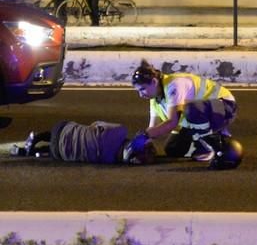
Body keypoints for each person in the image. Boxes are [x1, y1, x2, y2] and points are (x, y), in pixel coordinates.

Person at [130, 60, 242, 170]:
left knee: (192, 109)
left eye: (142, 89)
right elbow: (154, 128)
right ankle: (205, 138)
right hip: (205, 113)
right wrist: (145, 142)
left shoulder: (174, 85)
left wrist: (144, 136)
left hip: (225, 107)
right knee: (173, 148)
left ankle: (213, 145)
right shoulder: (155, 99)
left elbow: (172, 122)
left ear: (154, 82)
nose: (140, 95)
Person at [10, 121, 156, 165]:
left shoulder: (120, 131)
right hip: (59, 154)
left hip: (61, 130)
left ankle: (38, 137)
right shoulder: (109, 161)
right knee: (75, 148)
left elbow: (96, 124)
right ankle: (37, 151)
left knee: (73, 131)